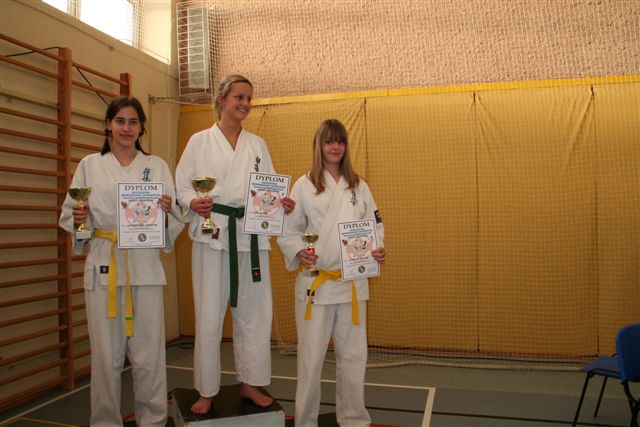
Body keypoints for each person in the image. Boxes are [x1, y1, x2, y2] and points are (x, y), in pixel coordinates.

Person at [58, 96, 183, 427]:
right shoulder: (89, 165)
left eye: (133, 122)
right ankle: (105, 422)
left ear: (141, 128)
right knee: (105, 358)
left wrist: (167, 211)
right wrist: (81, 219)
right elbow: (71, 217)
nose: (127, 128)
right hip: (105, 266)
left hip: (145, 268)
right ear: (108, 125)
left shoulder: (156, 166)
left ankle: (153, 421)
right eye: (120, 121)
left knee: (149, 356)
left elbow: (174, 220)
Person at [175, 74, 295, 414]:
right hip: (212, 233)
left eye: (248, 99)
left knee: (254, 314)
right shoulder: (199, 141)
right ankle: (206, 389)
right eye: (238, 97)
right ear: (222, 100)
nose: (245, 104)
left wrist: (281, 203)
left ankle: (250, 382)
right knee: (209, 315)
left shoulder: (257, 145)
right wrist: (192, 202)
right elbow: (181, 184)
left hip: (250, 236)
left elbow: (268, 188)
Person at [277, 119, 387, 427]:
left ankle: (354, 419)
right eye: (329, 141)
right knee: (311, 360)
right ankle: (305, 421)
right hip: (317, 283)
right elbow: (288, 230)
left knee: (353, 357)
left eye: (340, 140)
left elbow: (375, 225)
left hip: (352, 283)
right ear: (319, 146)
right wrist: (299, 250)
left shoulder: (359, 186)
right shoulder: (304, 185)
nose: (335, 146)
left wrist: (377, 249)